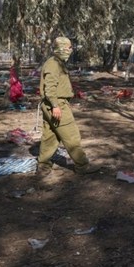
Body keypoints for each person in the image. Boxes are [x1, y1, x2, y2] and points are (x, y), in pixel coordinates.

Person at [36, 37, 99, 176]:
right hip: (57, 105)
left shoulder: (57, 62)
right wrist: (55, 106)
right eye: (69, 48)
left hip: (52, 104)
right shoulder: (53, 64)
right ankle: (82, 166)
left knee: (50, 137)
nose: (70, 50)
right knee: (71, 136)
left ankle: (43, 166)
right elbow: (50, 88)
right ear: (63, 48)